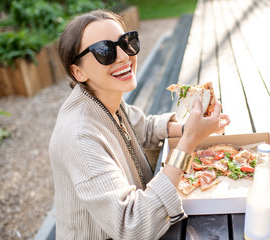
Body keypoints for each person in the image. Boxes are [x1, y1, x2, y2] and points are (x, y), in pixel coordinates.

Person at [49, 9, 230, 239]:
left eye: (127, 42)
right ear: (78, 71)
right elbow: (132, 224)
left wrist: (191, 128)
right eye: (104, 51)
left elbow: (143, 128)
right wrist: (189, 142)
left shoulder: (103, 96)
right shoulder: (80, 136)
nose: (124, 56)